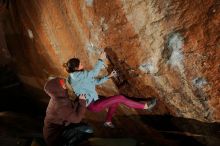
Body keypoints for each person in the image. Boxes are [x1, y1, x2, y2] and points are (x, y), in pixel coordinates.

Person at [64, 52, 157, 128]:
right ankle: (145, 107)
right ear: (76, 68)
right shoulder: (77, 77)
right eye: (80, 64)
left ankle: (108, 122)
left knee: (114, 102)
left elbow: (95, 81)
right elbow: (94, 73)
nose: (82, 64)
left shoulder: (77, 76)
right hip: (93, 105)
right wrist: (101, 59)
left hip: (94, 100)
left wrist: (108, 76)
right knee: (120, 98)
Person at [43, 77, 93, 146]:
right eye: (62, 84)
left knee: (84, 128)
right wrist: (82, 101)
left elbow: (70, 110)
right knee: (88, 129)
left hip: (61, 129)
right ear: (58, 88)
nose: (65, 85)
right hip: (55, 138)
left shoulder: (59, 97)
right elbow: (77, 119)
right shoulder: (59, 105)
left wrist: (79, 99)